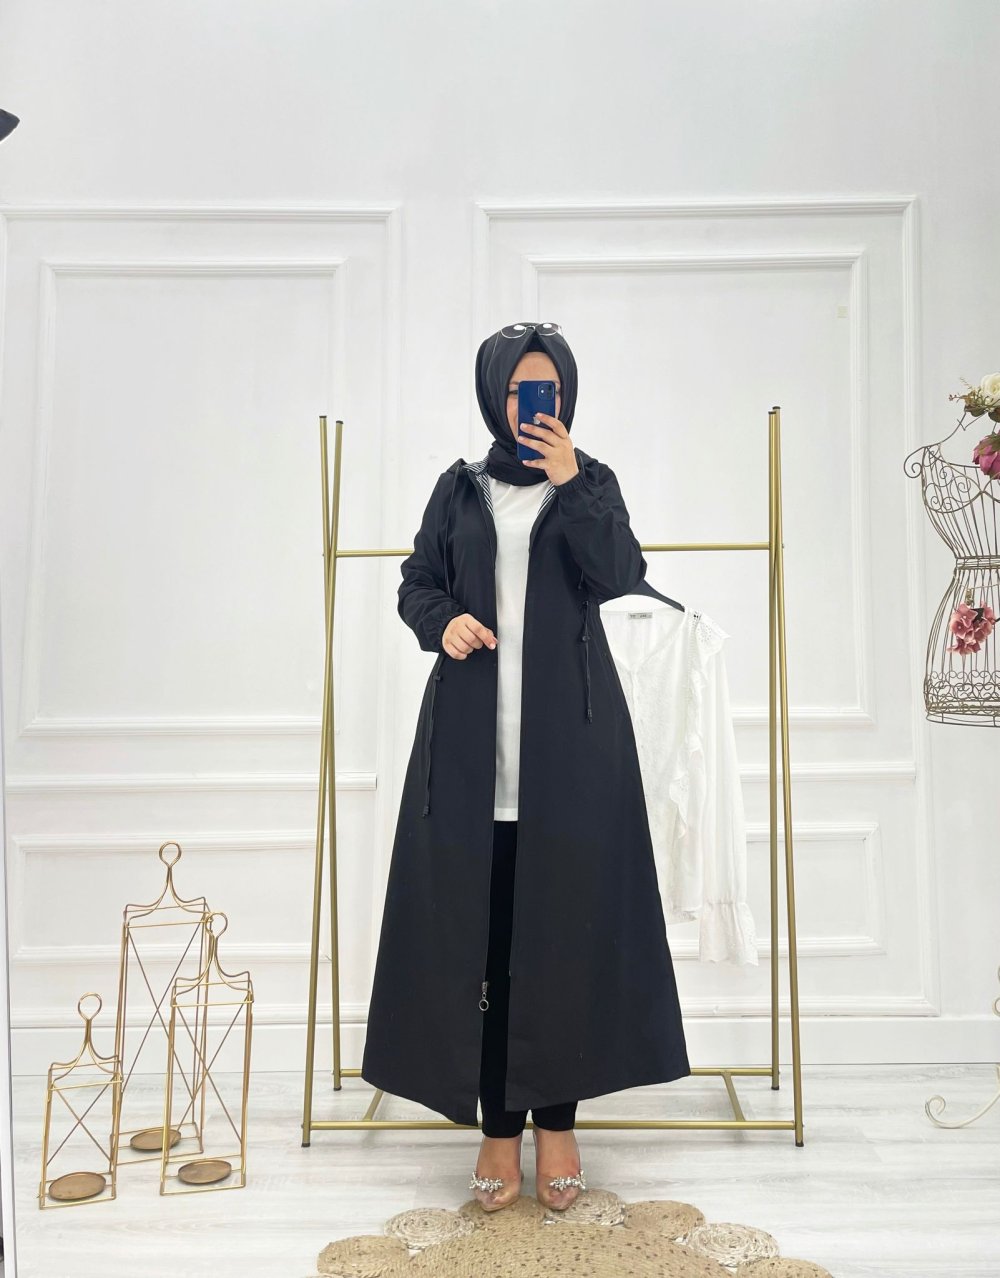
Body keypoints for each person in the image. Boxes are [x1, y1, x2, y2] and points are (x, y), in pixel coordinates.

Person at [360, 321, 690, 1215]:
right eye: (515, 390)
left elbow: (619, 573)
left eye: (544, 389)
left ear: (566, 397)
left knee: (565, 939)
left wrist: (570, 480)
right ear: (493, 395)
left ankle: (560, 1129)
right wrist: (443, 624)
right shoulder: (459, 489)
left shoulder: (591, 482)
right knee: (488, 945)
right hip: (471, 749)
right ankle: (499, 1133)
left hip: (573, 752)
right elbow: (416, 583)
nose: (529, 405)